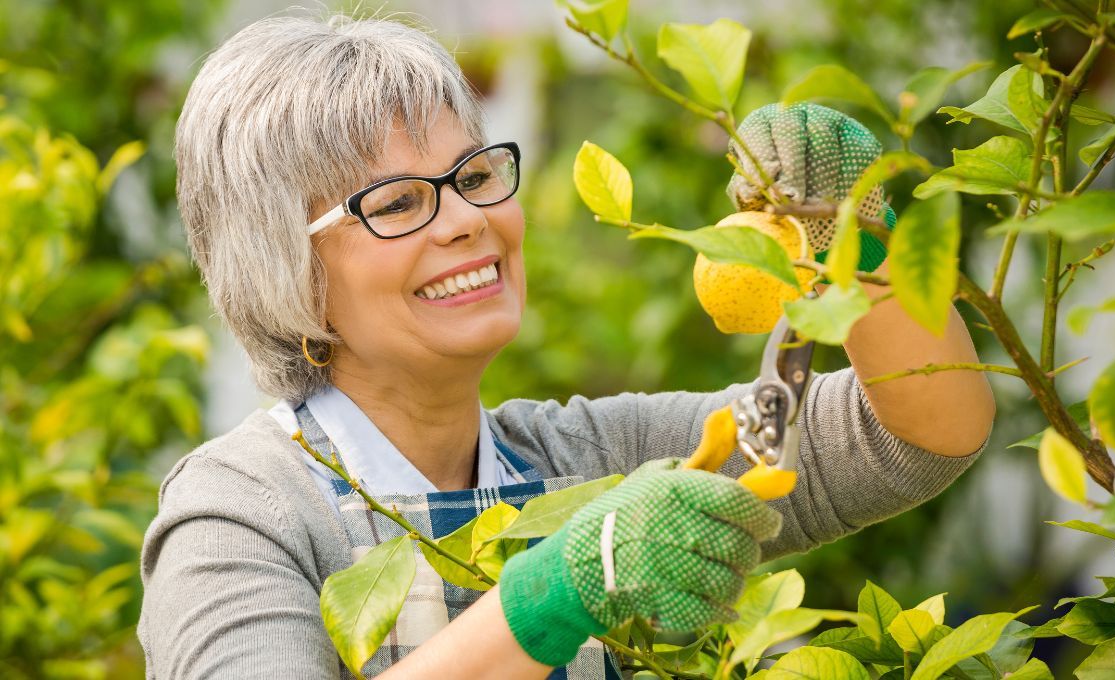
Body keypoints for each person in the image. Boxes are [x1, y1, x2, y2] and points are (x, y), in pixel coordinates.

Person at [136, 12, 995, 680]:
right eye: (398, 203)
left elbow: (919, 434)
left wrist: (858, 236)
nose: (470, 220)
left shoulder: (583, 459)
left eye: (473, 178)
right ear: (280, 260)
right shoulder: (240, 515)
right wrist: (558, 593)